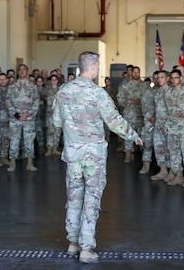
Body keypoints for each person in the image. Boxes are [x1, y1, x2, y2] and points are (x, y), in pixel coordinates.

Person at [53, 51, 142, 264]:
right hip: (93, 155)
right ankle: (86, 247)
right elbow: (113, 121)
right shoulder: (97, 93)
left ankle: (73, 243)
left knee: (74, 198)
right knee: (91, 198)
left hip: (73, 153)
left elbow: (56, 122)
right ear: (93, 67)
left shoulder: (64, 91)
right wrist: (133, 135)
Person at [164, 69, 184, 187]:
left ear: (181, 78)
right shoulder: (168, 93)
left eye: (176, 78)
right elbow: (168, 111)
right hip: (172, 126)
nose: (174, 80)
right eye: (172, 78)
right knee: (174, 151)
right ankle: (178, 175)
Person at [5, 64, 40, 172]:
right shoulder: (12, 86)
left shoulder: (32, 86)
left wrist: (29, 113)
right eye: (20, 70)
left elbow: (36, 101)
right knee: (14, 141)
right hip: (15, 118)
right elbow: (8, 101)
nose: (22, 71)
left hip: (28, 119)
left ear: (27, 72)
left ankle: (30, 163)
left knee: (29, 141)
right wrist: (15, 114)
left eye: (24, 69)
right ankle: (12, 163)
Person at [117, 66, 147, 163]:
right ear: (131, 73)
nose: (136, 74)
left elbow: (150, 99)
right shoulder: (124, 85)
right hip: (129, 113)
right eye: (134, 72)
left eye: (138, 72)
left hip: (142, 114)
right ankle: (128, 154)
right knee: (128, 133)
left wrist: (141, 101)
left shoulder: (144, 85)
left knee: (143, 134)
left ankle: (144, 156)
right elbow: (120, 99)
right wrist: (131, 101)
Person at [44, 74, 62, 156]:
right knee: (50, 132)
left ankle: (55, 148)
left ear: (57, 81)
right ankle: (49, 149)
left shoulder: (60, 90)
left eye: (55, 79)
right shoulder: (47, 89)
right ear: (50, 81)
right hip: (50, 114)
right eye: (52, 80)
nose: (54, 81)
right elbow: (47, 101)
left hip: (59, 114)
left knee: (57, 132)